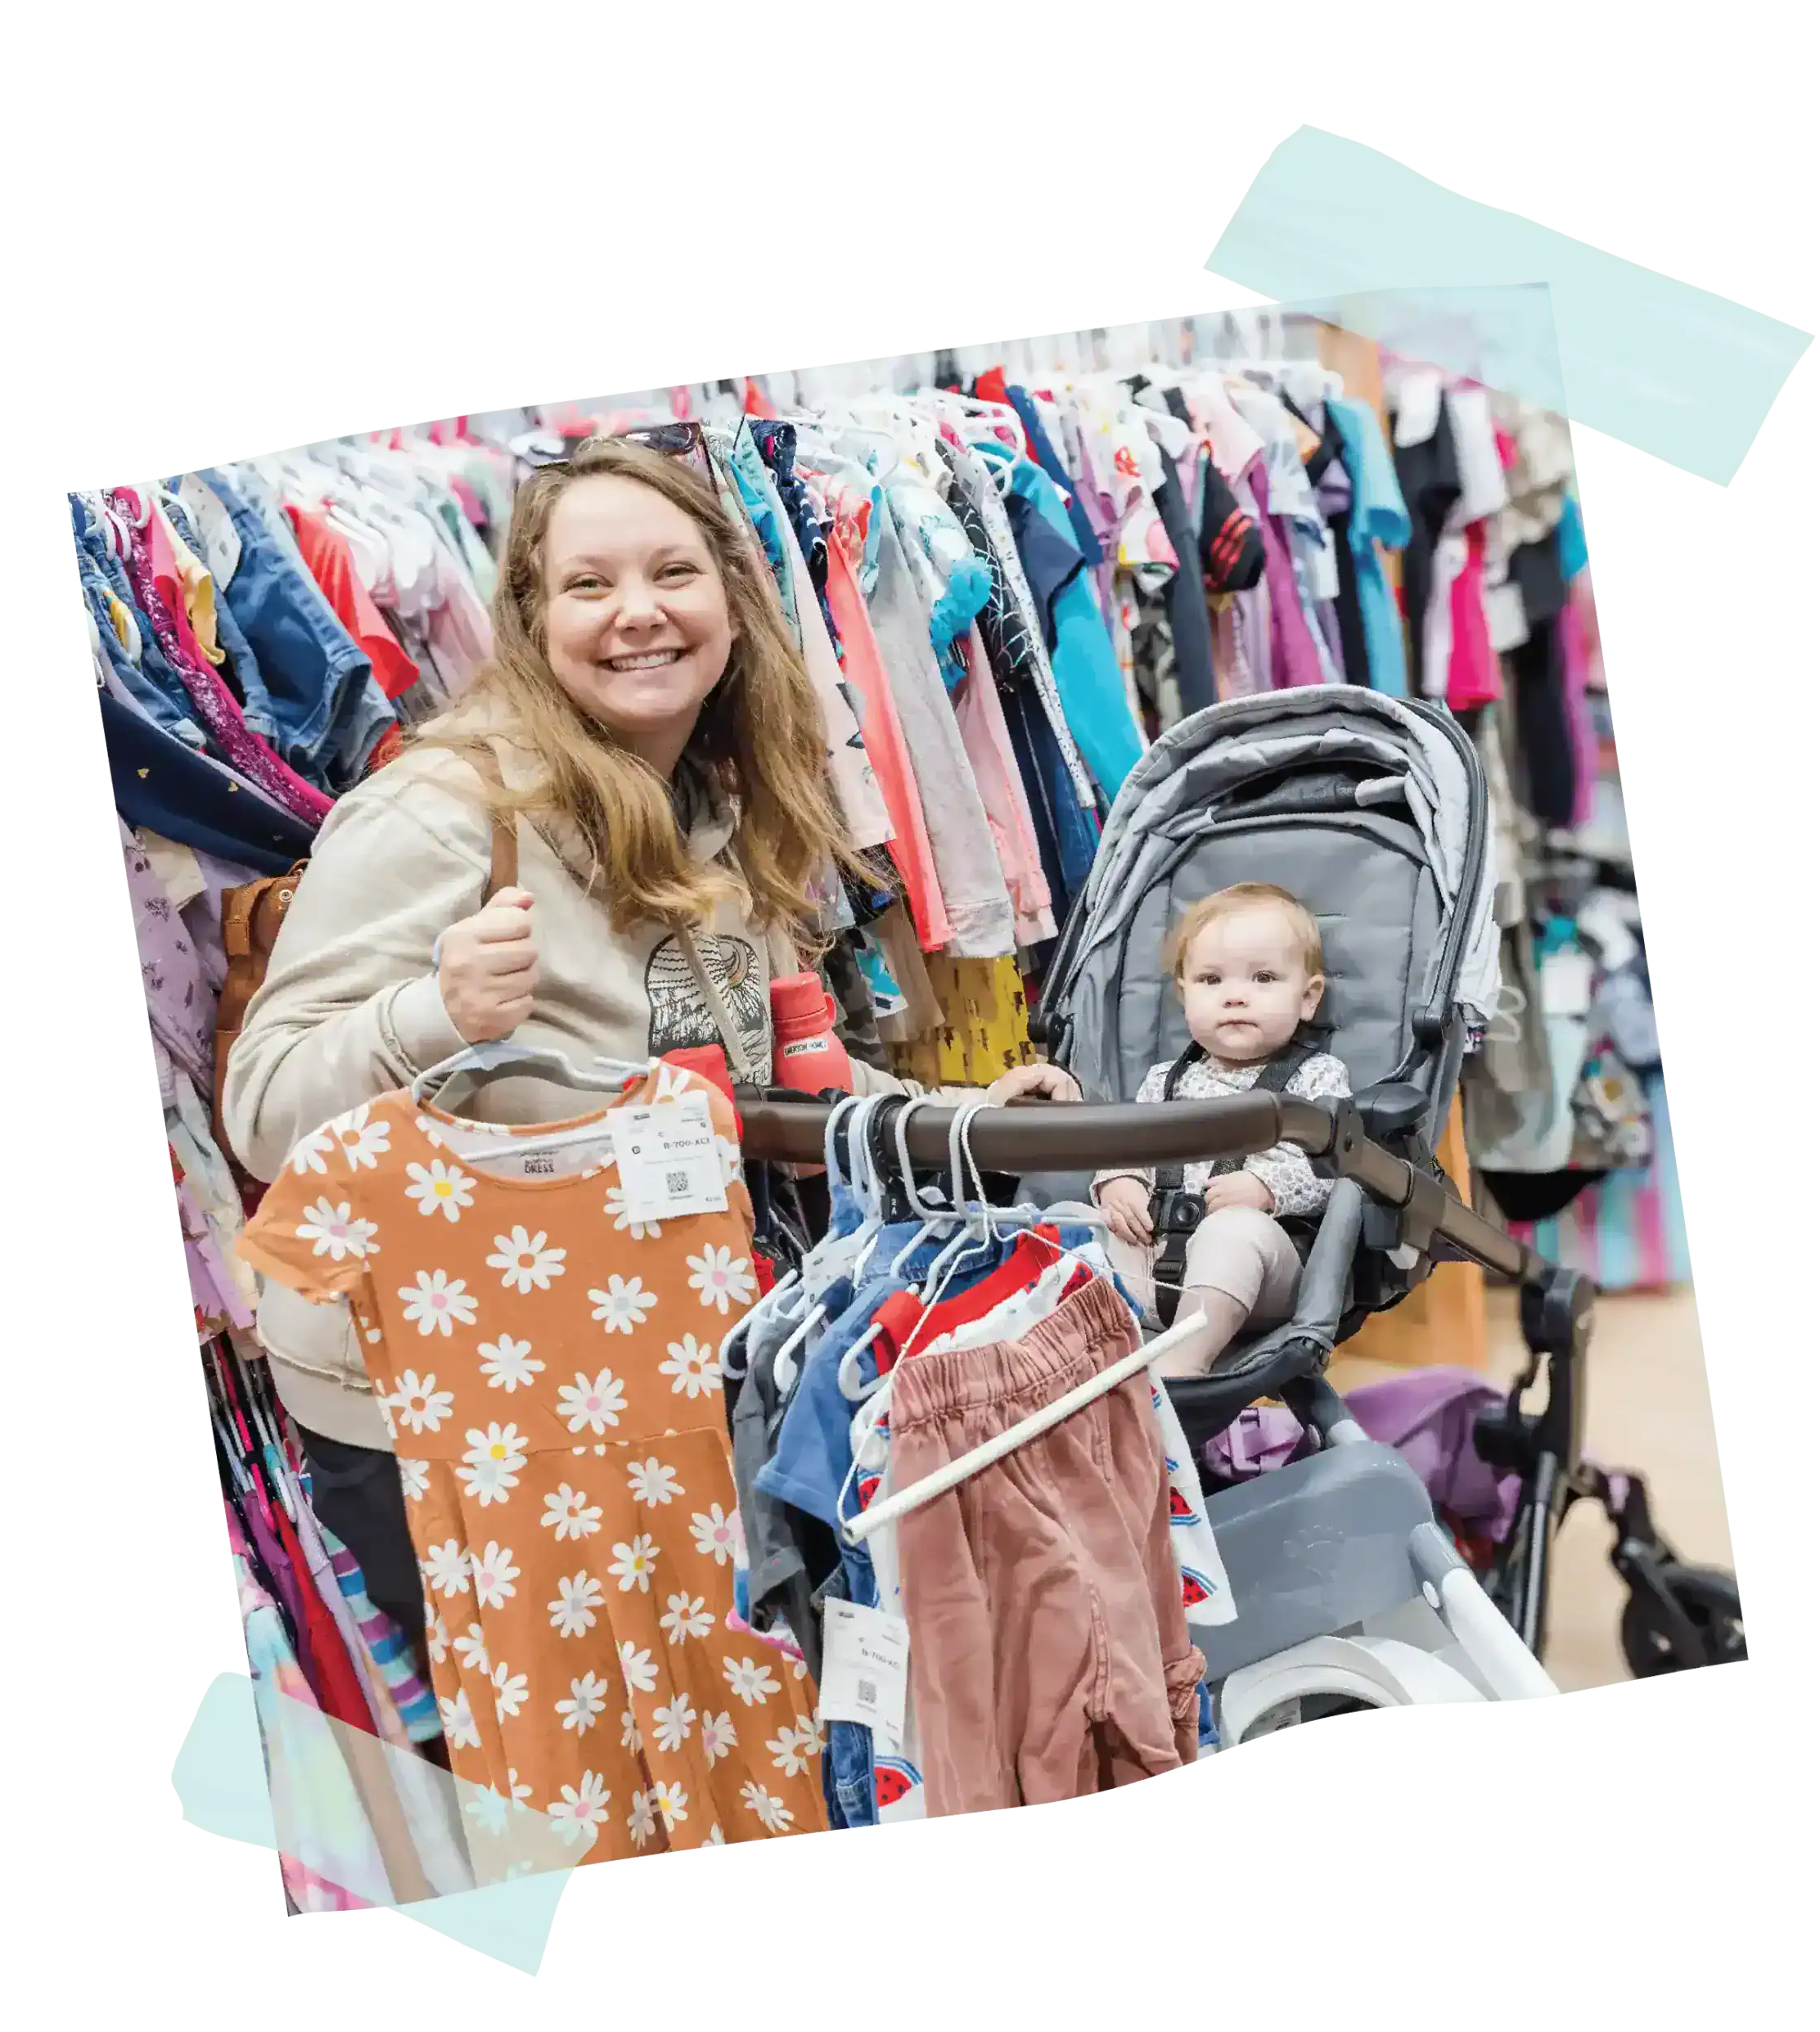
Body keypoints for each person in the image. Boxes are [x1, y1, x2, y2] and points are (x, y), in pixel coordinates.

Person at [222, 434, 1079, 1674]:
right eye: (590, 583)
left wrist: (964, 1114)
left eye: (674, 572)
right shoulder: (444, 809)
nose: (639, 612)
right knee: (553, 1754)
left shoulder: (715, 803)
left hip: (635, 1370)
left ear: (732, 596)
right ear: (533, 617)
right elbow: (262, 1106)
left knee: (683, 1739)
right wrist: (434, 1012)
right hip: (448, 1412)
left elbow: (760, 1076)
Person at [1092, 883, 1352, 1378]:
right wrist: (1118, 1180)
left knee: (1234, 1232)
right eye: (1211, 980)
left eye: (1263, 978)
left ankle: (1181, 1371)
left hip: (1261, 1277)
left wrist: (1267, 1188)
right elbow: (1128, 1143)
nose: (1235, 996)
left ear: (1308, 998)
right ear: (1184, 993)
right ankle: (1073, 1353)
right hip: (1153, 1266)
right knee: (1070, 1226)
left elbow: (1336, 1170)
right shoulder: (1164, 1080)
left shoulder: (1318, 1077)